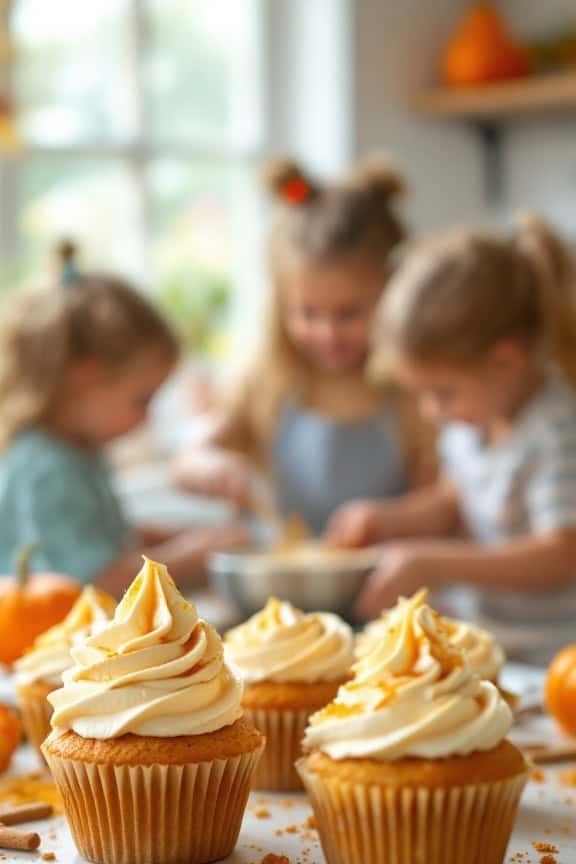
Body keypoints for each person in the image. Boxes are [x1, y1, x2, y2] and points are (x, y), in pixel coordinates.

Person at [329, 216, 576, 665]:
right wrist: (388, 520)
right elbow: (452, 500)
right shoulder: (470, 424)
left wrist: (436, 564)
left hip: (555, 654)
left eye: (442, 392)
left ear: (505, 361)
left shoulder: (555, 432)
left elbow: (563, 552)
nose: (430, 410)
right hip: (492, 638)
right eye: (419, 393)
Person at [174, 157, 436, 535]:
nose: (328, 334)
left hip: (387, 582)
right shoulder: (269, 377)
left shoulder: (416, 393)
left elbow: (443, 503)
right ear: (281, 306)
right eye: (308, 314)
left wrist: (390, 521)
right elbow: (191, 455)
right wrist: (204, 462)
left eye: (348, 314)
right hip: (280, 581)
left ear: (396, 297)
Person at [0, 242, 245, 596]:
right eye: (142, 399)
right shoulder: (47, 468)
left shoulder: (77, 452)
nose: (146, 418)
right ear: (85, 377)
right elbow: (96, 583)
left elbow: (102, 537)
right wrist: (198, 555)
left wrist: (175, 538)